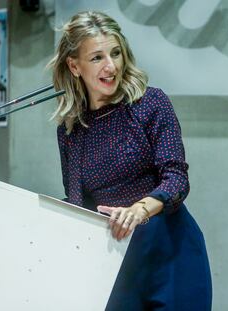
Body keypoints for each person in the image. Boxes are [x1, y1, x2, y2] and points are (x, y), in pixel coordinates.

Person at [48, 11, 212, 311]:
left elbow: (176, 179)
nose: (111, 66)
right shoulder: (71, 129)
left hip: (170, 255)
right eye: (97, 57)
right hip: (115, 260)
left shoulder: (151, 104)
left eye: (115, 53)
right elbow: (77, 200)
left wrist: (138, 210)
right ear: (74, 66)